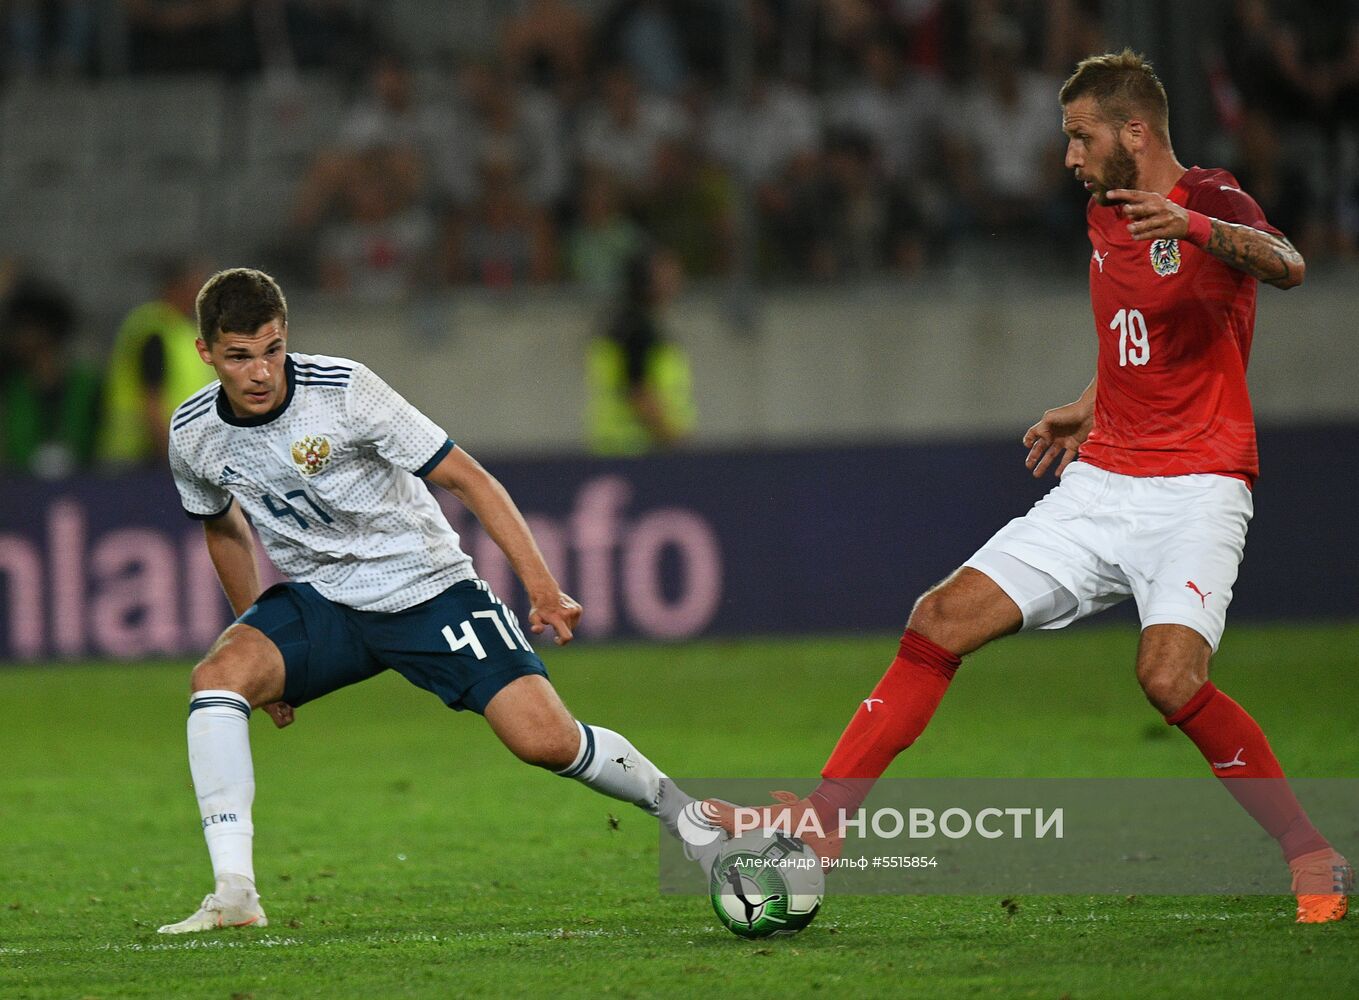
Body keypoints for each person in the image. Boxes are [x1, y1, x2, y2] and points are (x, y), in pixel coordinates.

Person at [704, 50, 1351, 924]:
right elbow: (1140, 336)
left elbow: (1286, 263)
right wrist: (1091, 405)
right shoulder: (1103, 218)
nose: (1068, 157)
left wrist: (1193, 229)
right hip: (1100, 482)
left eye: (1080, 137)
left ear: (1134, 132)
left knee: (1167, 680)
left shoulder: (1209, 198)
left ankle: (1310, 852)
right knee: (937, 619)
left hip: (1196, 487)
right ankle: (822, 828)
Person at [159, 268, 717, 934]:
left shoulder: (344, 392)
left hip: (428, 589)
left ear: (287, 337)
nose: (260, 372)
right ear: (205, 354)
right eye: (239, 357)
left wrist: (540, 585)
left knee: (547, 742)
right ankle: (235, 891)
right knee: (216, 679)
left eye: (272, 349)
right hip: (324, 602)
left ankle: (689, 820)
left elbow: (467, 478)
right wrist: (253, 632)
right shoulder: (193, 432)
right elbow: (222, 524)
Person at [98, 260, 215, 467]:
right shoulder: (155, 331)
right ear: (175, 287)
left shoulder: (181, 331)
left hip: (171, 453)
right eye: (195, 287)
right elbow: (151, 400)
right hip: (142, 457)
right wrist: (170, 456)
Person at [586, 244, 695, 455]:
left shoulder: (624, 324)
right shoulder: (638, 330)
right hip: (637, 452)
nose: (675, 276)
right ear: (646, 278)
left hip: (619, 450)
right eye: (665, 269)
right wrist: (676, 441)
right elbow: (639, 392)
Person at [0, 277, 101, 477]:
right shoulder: (13, 385)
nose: (18, 336)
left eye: (25, 327)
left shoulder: (86, 384)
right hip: (22, 486)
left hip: (85, 485)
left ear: (47, 331)